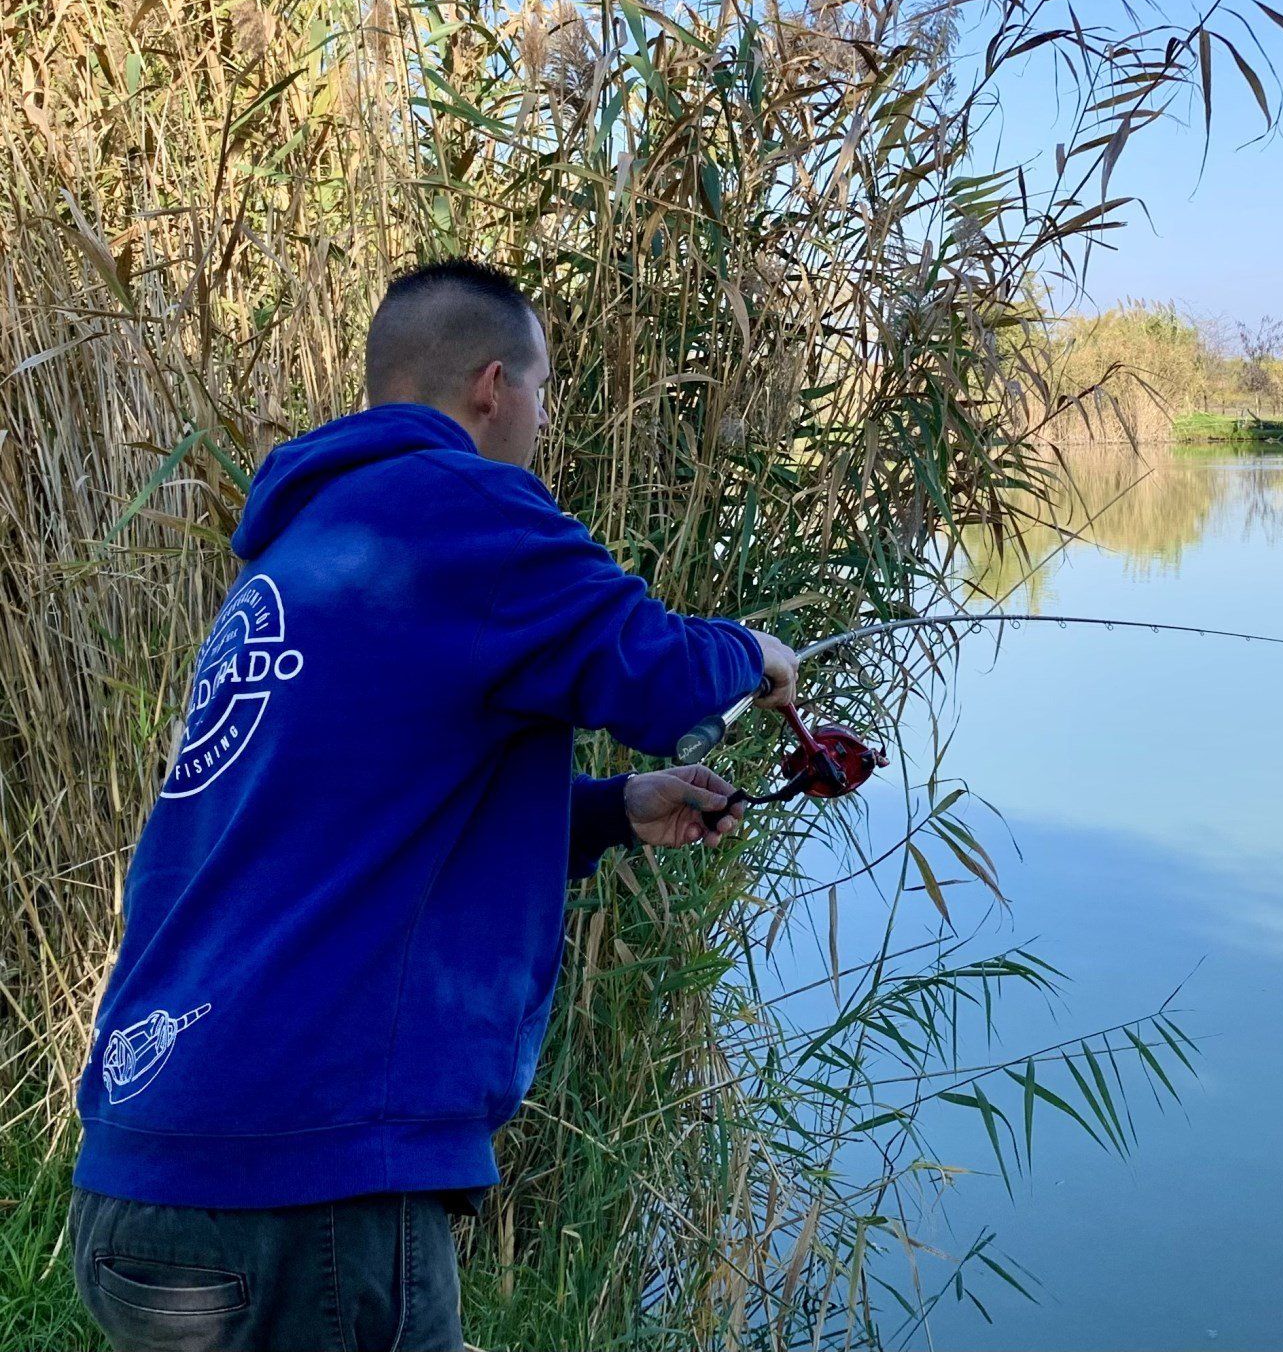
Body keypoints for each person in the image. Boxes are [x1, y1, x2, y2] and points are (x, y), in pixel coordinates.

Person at [65, 258, 799, 1351]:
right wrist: (755, 652)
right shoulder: (460, 507)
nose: (546, 425)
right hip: (303, 1185)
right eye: (547, 393)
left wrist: (609, 812)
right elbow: (665, 677)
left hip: (144, 1179)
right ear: (492, 386)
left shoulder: (297, 551)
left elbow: (341, 828)